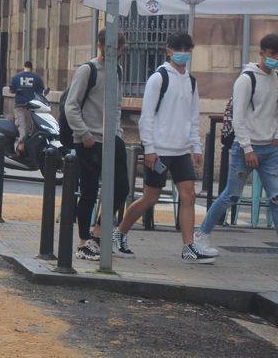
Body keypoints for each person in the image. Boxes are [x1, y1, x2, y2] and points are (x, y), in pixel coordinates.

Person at [113, 32, 213, 263]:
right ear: (168, 50)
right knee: (150, 197)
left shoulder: (191, 81)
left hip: (181, 151)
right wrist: (149, 148)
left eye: (187, 49)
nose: (183, 53)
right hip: (159, 149)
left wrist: (196, 146)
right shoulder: (158, 78)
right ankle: (119, 233)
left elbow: (193, 116)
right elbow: (146, 116)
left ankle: (189, 247)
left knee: (188, 194)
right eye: (179, 48)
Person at [196, 33, 278, 255]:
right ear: (261, 53)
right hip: (246, 148)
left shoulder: (276, 78)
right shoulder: (246, 79)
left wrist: (276, 136)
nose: (275, 58)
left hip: (270, 148)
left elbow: (275, 112)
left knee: (276, 197)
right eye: (271, 54)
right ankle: (201, 234)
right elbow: (238, 118)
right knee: (231, 196)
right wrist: (247, 147)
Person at [64, 29, 131, 261]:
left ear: (121, 50)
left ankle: (98, 232)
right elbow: (71, 106)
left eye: (116, 49)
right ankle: (83, 242)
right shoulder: (88, 70)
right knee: (90, 191)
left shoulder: (117, 70)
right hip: (89, 140)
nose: (111, 52)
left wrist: (118, 133)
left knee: (122, 187)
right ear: (99, 44)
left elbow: (116, 105)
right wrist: (84, 135)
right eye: (107, 47)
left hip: (113, 138)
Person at [9, 60, 45, 155]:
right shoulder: (37, 78)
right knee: (30, 129)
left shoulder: (16, 77)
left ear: (23, 66)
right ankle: (25, 148)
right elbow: (41, 92)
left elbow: (12, 90)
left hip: (20, 106)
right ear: (32, 68)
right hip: (32, 107)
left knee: (21, 127)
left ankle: (19, 149)